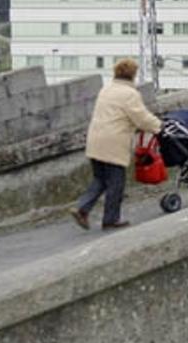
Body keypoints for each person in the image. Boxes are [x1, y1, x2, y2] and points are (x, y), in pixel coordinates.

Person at [69, 59, 162, 230]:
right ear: (133, 74)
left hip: (95, 140)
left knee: (100, 179)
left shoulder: (106, 89)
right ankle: (110, 219)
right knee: (116, 183)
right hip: (113, 144)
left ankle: (82, 208)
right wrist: (159, 126)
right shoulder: (129, 94)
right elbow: (141, 118)